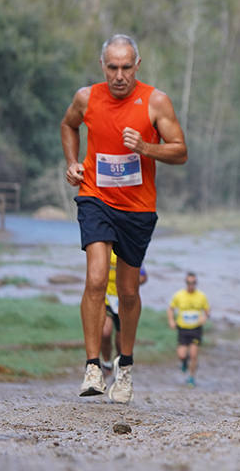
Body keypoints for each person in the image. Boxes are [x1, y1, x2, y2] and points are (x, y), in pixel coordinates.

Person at [61, 34, 188, 404]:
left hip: (136, 207)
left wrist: (145, 147)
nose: (119, 75)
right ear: (103, 66)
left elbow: (180, 151)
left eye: (126, 67)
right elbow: (68, 125)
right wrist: (72, 162)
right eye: (112, 67)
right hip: (95, 199)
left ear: (138, 65)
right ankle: (92, 366)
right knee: (97, 277)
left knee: (129, 291)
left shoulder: (155, 101)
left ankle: (126, 367)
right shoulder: (87, 97)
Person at [100, 252, 147, 378]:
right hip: (107, 298)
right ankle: (106, 363)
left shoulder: (128, 249)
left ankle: (118, 363)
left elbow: (143, 276)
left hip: (123, 299)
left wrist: (130, 282)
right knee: (105, 332)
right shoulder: (105, 249)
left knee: (120, 339)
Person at [168, 272, 210, 387]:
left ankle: (191, 378)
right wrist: (171, 320)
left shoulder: (201, 296)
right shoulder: (179, 295)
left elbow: (207, 311)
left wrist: (204, 318)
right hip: (182, 329)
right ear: (186, 283)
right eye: (189, 282)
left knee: (193, 355)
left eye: (193, 283)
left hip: (196, 329)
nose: (191, 285)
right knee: (182, 355)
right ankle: (184, 362)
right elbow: (171, 309)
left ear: (196, 283)